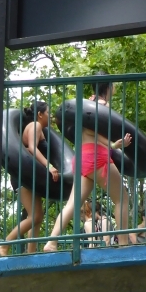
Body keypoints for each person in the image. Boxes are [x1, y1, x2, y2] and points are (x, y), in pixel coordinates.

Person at [43, 77, 134, 251]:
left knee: (72, 203)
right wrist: (114, 145)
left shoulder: (87, 103)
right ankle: (123, 243)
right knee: (122, 198)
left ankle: (51, 242)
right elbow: (92, 131)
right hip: (97, 157)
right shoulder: (102, 105)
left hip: (82, 158)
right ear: (108, 86)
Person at [0, 101, 61, 256]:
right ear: (39, 114)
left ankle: (31, 253)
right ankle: (4, 245)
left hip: (32, 176)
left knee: (37, 216)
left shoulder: (39, 129)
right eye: (47, 112)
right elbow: (31, 148)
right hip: (24, 177)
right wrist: (49, 166)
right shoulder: (35, 126)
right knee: (35, 216)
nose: (50, 115)